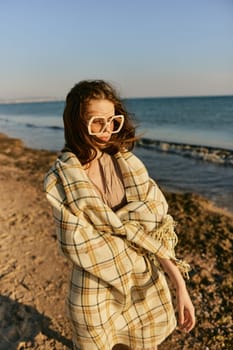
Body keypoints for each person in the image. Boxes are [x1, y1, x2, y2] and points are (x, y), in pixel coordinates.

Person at [44, 80, 195, 350]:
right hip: (93, 289)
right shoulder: (60, 180)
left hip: (141, 284)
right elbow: (75, 243)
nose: (106, 130)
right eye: (96, 122)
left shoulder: (129, 165)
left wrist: (179, 284)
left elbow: (154, 228)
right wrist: (129, 238)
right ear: (76, 123)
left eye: (113, 121)